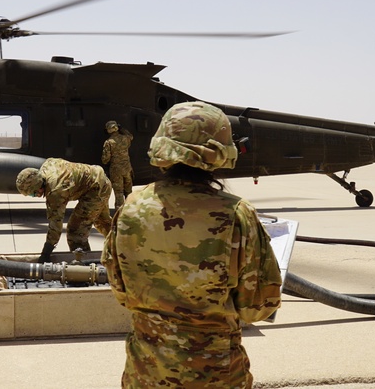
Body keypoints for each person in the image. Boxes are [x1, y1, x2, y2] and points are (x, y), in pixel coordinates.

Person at [102, 101, 282, 389]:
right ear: (220, 152)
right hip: (215, 375)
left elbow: (121, 292)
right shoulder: (236, 213)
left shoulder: (131, 207)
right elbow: (258, 307)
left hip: (144, 374)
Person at [15, 158, 113, 262]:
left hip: (95, 190)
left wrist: (46, 253)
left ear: (39, 187)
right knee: (103, 222)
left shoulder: (55, 192)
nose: (34, 196)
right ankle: (124, 248)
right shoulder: (47, 166)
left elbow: (55, 226)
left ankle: (85, 266)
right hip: (101, 180)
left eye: (33, 194)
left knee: (75, 232)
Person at [101, 120, 134, 210]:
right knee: (129, 191)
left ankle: (120, 214)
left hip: (116, 171)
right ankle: (131, 210)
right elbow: (131, 136)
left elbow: (105, 159)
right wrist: (122, 129)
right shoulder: (126, 138)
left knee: (119, 192)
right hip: (127, 168)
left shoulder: (109, 142)